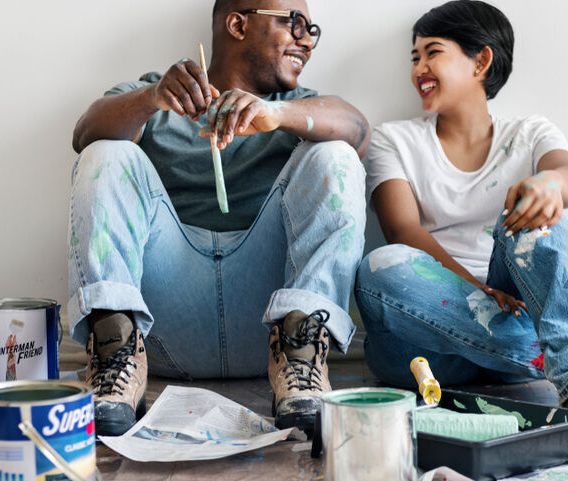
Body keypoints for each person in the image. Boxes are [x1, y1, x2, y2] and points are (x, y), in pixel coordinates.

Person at [68, 0, 369, 436]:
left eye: (311, 29)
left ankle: (303, 363)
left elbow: (357, 129)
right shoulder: (153, 95)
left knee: (335, 154)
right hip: (164, 326)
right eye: (295, 23)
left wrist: (276, 115)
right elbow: (84, 134)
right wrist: (152, 99)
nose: (307, 40)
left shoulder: (299, 107)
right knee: (105, 152)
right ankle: (115, 358)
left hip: (268, 331)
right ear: (238, 24)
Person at [356, 0, 568, 454]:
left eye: (432, 52)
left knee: (533, 214)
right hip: (422, 344)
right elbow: (403, 229)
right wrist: (479, 290)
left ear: (481, 61)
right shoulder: (394, 139)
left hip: (514, 307)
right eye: (414, 57)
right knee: (380, 266)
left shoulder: (531, 133)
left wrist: (550, 185)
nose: (419, 69)